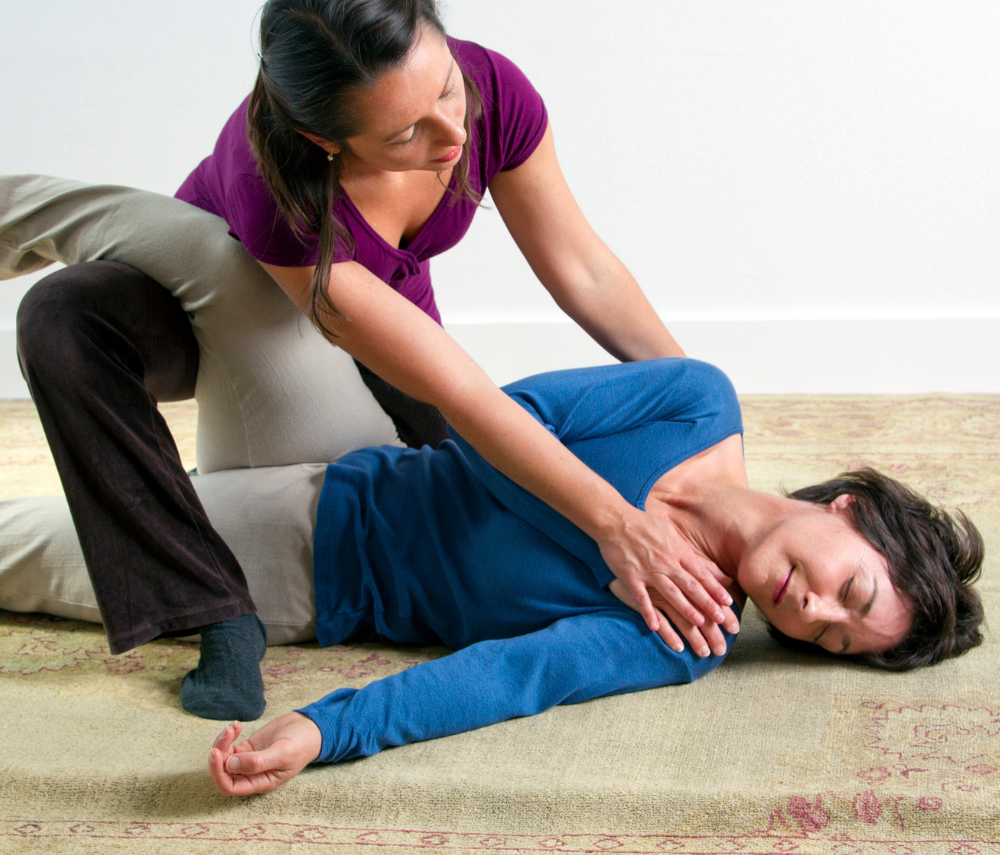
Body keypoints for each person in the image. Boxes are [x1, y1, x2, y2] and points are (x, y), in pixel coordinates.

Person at [0, 0, 737, 721]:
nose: (453, 135)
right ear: (324, 139)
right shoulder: (276, 182)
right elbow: (458, 388)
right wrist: (617, 524)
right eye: (405, 133)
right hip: (205, 316)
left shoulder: (493, 91)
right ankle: (214, 608)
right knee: (62, 312)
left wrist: (709, 431)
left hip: (377, 334)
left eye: (447, 89)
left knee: (463, 489)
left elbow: (583, 270)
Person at [0, 360, 983, 790]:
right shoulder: (695, 401)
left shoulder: (686, 631)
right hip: (339, 442)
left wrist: (326, 728)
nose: (808, 611)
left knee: (22, 546)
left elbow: (513, 678)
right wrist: (615, 529)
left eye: (831, 638)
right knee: (223, 255)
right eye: (850, 590)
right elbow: (479, 419)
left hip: (307, 556)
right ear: (848, 508)